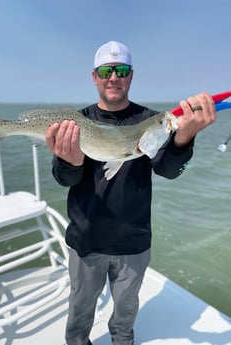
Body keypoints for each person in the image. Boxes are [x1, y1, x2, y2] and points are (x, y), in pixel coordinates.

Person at [45, 41, 216, 345]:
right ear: (95, 77)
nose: (114, 77)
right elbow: (64, 179)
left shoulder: (151, 121)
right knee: (80, 312)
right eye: (106, 71)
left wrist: (184, 137)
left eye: (121, 70)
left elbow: (167, 170)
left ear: (131, 76)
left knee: (125, 318)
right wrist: (70, 161)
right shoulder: (75, 123)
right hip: (86, 240)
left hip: (133, 242)